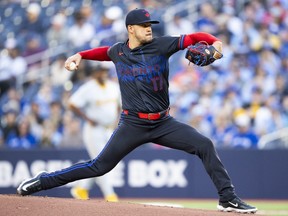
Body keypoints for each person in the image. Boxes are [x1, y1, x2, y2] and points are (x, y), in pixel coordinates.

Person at [17, 8, 257, 214]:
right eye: (144, 25)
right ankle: (42, 181)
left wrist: (215, 42)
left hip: (163, 123)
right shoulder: (118, 51)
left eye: (150, 24)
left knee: (204, 144)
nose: (149, 28)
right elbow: (103, 52)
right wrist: (80, 55)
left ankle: (227, 198)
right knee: (98, 167)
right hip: (132, 124)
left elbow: (195, 37)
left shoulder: (163, 44)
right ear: (130, 28)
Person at [68, 63, 120, 202]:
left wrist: (116, 121)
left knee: (102, 161)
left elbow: (119, 105)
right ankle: (110, 195)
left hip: (109, 129)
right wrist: (87, 118)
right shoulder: (88, 88)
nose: (103, 73)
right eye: (100, 71)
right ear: (94, 72)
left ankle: (82, 188)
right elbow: (72, 103)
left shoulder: (113, 86)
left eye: (105, 71)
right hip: (94, 130)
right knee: (101, 162)